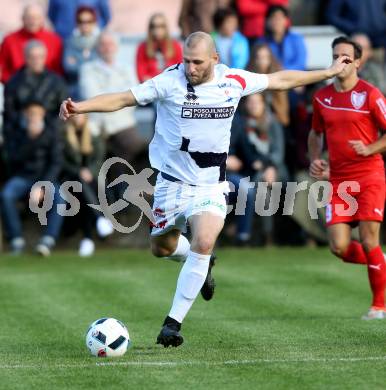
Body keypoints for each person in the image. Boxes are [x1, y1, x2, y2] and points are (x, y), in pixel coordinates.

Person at [60, 31, 351, 347]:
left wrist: (327, 72)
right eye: (186, 60)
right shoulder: (169, 81)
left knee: (204, 240)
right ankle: (201, 262)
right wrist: (81, 108)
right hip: (170, 185)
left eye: (197, 61)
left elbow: (280, 79)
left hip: (210, 186)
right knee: (162, 248)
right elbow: (123, 98)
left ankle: (172, 324)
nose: (190, 67)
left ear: (215, 59)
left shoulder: (233, 81)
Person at [308, 36, 386, 320]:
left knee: (368, 239)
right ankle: (380, 262)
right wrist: (315, 158)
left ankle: (379, 306)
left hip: (370, 176)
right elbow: (315, 133)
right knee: (339, 247)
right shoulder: (322, 97)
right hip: (339, 181)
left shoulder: (370, 94)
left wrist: (370, 148)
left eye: (346, 56)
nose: (340, 61)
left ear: (358, 62)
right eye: (336, 56)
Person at [1, 101, 63, 256]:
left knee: (61, 197)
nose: (34, 117)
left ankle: (48, 240)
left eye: (38, 113)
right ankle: (16, 240)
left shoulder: (51, 133)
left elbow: (56, 163)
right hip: (23, 177)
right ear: (26, 115)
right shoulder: (16, 133)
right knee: (6, 195)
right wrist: (31, 139)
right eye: (31, 114)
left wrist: (42, 186)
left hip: (45, 179)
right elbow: (12, 159)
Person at [227, 93, 286, 246]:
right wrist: (255, 164)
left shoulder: (272, 122)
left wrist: (269, 166)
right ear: (245, 105)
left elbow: (278, 152)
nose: (254, 105)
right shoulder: (241, 124)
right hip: (251, 171)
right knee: (255, 187)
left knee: (260, 187)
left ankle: (266, 236)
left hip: (275, 169)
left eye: (257, 102)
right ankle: (251, 234)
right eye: (250, 102)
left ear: (263, 104)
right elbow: (244, 154)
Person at [62, 114, 113, 257]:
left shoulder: (93, 137)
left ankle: (87, 239)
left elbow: (99, 159)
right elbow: (62, 163)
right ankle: (99, 219)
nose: (77, 119)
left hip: (92, 180)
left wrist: (89, 171)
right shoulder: (64, 137)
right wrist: (79, 171)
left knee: (85, 193)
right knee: (80, 187)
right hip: (70, 181)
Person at [3, 40, 68, 139]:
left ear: (45, 57)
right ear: (25, 58)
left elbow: (64, 110)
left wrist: (44, 124)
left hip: (51, 134)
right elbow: (9, 113)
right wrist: (28, 120)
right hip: (21, 134)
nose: (36, 61)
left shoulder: (57, 82)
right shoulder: (13, 83)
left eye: (40, 57)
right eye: (32, 57)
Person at [0, 3, 63, 83]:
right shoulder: (9, 40)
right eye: (29, 18)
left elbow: (58, 70)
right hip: (17, 88)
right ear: (23, 18)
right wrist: (12, 84)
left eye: (36, 18)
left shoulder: (55, 41)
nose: (33, 21)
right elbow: (3, 68)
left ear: (42, 19)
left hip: (47, 88)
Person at [63, 6, 101, 100]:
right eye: (81, 21)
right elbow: (69, 68)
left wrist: (78, 61)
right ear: (76, 23)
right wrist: (91, 63)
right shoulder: (70, 42)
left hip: (98, 89)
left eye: (89, 21)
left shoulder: (101, 42)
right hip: (75, 91)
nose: (85, 25)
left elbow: (101, 68)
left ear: (95, 22)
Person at [247, 43, 289, 126]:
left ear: (270, 59)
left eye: (265, 58)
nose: (262, 61)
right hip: (252, 121)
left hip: (275, 121)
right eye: (259, 58)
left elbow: (282, 110)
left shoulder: (278, 77)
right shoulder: (248, 78)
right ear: (253, 60)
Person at [136, 13, 183, 83]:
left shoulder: (175, 46)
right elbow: (141, 74)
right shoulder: (143, 47)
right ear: (150, 28)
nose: (157, 30)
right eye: (154, 26)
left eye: (161, 26)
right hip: (150, 86)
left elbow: (181, 69)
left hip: (171, 84)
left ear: (166, 28)